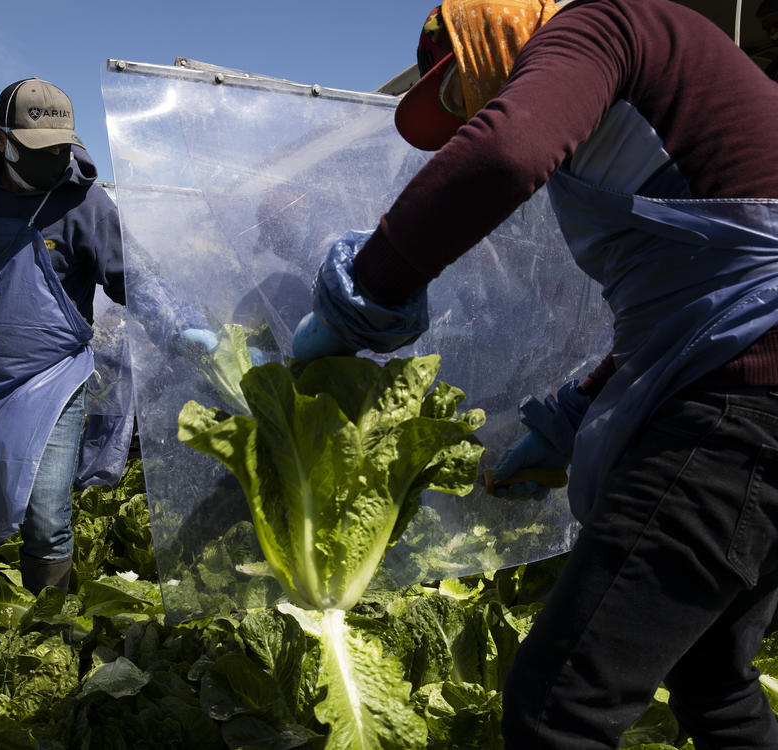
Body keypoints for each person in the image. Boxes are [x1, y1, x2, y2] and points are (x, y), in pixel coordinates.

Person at [291, 0, 778, 746]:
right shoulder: (660, 93)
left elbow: (504, 154)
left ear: (497, 38)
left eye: (465, 94)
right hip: (750, 383)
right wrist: (571, 417)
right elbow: (698, 305)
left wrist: (365, 296)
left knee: (559, 705)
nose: (472, 115)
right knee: (714, 676)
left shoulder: (600, 27)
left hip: (745, 404)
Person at [0, 78, 215, 594]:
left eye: (63, 147)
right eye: (41, 149)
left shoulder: (86, 203)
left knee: (46, 511)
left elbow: (136, 277)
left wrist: (179, 325)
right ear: (3, 140)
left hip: (55, 382)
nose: (56, 159)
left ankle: (47, 628)